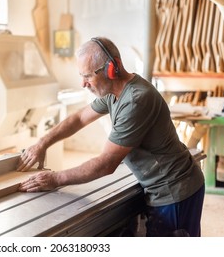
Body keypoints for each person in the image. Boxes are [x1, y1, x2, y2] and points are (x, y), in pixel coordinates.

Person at [17, 37, 205, 237]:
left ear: (112, 69)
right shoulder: (112, 92)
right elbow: (79, 118)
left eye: (88, 76)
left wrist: (55, 179)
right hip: (159, 186)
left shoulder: (136, 100)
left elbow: (106, 163)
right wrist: (42, 143)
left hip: (174, 190)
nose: (83, 83)